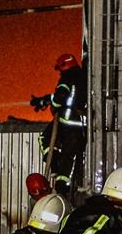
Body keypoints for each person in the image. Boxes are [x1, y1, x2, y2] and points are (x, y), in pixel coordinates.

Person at [30, 54, 88, 192]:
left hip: (66, 121)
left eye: (60, 69)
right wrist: (45, 99)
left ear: (64, 66)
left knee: (45, 139)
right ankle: (62, 182)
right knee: (69, 155)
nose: (59, 72)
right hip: (78, 124)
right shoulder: (82, 77)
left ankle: (56, 168)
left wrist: (50, 103)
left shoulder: (67, 77)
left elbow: (60, 97)